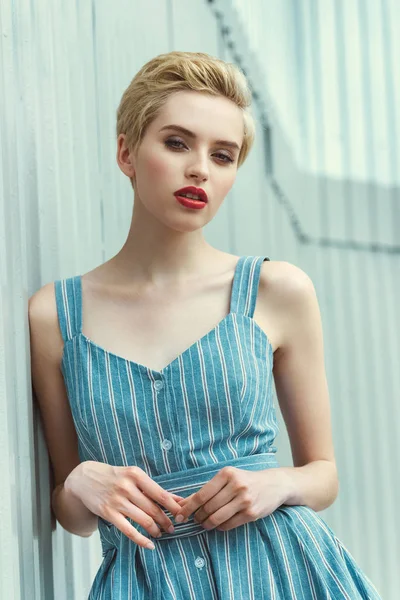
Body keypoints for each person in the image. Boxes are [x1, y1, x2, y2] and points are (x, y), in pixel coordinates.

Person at [29, 51, 382, 599]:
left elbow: (324, 473)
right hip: (143, 583)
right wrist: (78, 481)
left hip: (281, 574)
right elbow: (71, 514)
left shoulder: (275, 290)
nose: (200, 169)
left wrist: (274, 483)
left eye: (223, 156)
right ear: (126, 151)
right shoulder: (55, 316)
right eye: (177, 143)